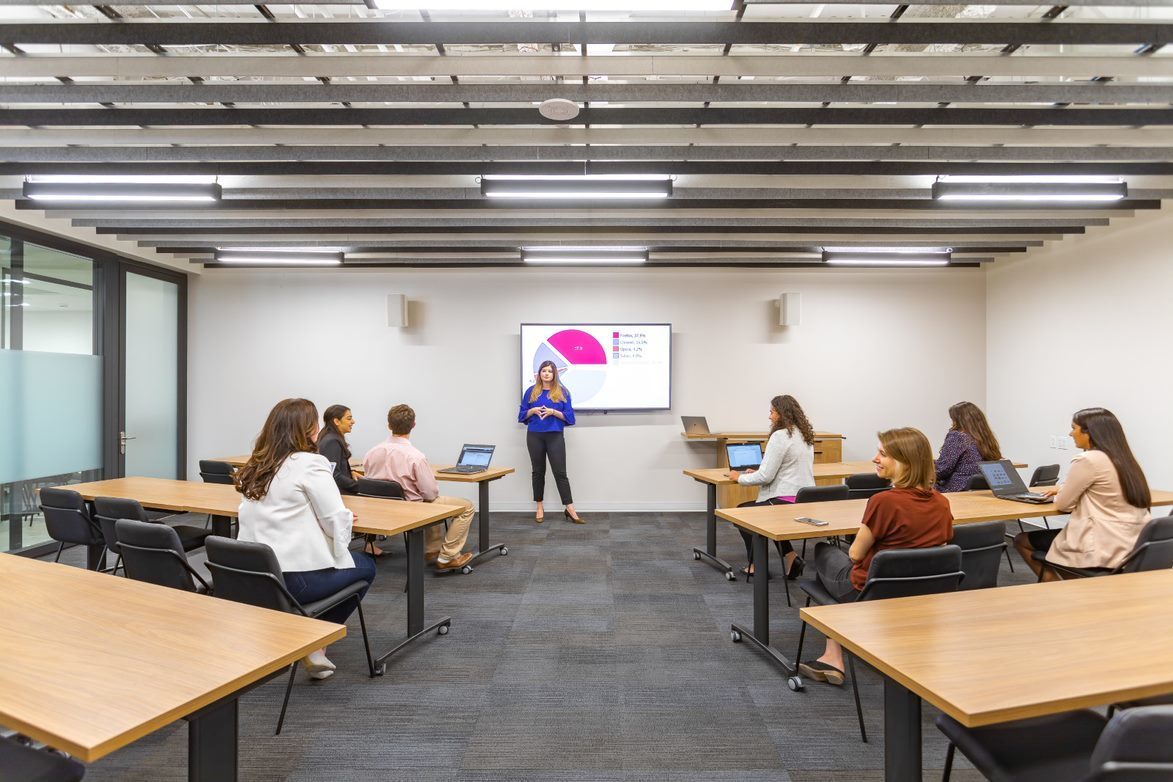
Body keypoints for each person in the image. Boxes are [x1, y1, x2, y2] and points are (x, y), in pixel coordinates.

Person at [798, 427, 953, 686]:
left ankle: (832, 657)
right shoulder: (942, 502)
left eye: (882, 454)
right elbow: (943, 545)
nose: (875, 458)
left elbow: (856, 553)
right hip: (922, 590)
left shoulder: (883, 501)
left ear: (905, 461)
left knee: (824, 550)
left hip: (867, 588)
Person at [236, 398, 377, 680]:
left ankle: (306, 638)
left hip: (254, 578)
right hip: (296, 581)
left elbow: (281, 511)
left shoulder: (258, 466)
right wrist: (345, 520)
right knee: (366, 566)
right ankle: (315, 642)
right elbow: (334, 521)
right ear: (308, 430)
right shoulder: (311, 464)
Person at [1013, 407, 1151, 580]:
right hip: (1132, 542)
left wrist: (1060, 493)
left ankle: (1061, 588)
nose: (1071, 434)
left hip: (1100, 543)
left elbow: (1064, 505)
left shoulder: (1089, 459)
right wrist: (1064, 489)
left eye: (1074, 428)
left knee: (1021, 540)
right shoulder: (1125, 460)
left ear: (1089, 433)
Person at [362, 403, 476, 572]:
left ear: (389, 425)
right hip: (411, 511)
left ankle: (432, 551)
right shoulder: (415, 456)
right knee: (466, 506)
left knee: (426, 500)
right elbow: (430, 493)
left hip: (381, 510)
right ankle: (447, 557)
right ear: (414, 425)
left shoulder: (372, 452)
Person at [727, 394, 815, 578]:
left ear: (782, 414)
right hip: (805, 499)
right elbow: (785, 468)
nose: (770, 416)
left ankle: (757, 566)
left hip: (784, 500)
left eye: (772, 412)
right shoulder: (804, 435)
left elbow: (766, 477)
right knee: (769, 520)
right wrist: (758, 470)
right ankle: (792, 558)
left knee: (742, 513)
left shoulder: (780, 436)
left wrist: (739, 477)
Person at [518, 360, 582, 523]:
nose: (546, 373)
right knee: (537, 472)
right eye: (543, 370)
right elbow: (521, 415)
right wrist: (532, 410)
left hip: (555, 436)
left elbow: (570, 417)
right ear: (539, 373)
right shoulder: (531, 392)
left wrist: (553, 412)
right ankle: (539, 507)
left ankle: (570, 507)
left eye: (549, 371)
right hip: (534, 436)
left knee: (560, 473)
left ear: (555, 374)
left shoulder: (562, 392)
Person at [318, 404, 385, 557]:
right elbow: (333, 474)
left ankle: (370, 544)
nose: (353, 421)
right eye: (349, 418)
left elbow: (334, 467)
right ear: (336, 421)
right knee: (375, 495)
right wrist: (356, 486)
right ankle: (369, 544)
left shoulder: (330, 438)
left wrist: (350, 472)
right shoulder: (332, 441)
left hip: (340, 490)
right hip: (341, 493)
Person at [934, 401, 1003, 493]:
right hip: (980, 492)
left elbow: (942, 470)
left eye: (953, 419)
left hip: (955, 490)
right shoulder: (986, 439)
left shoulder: (958, 437)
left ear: (959, 420)